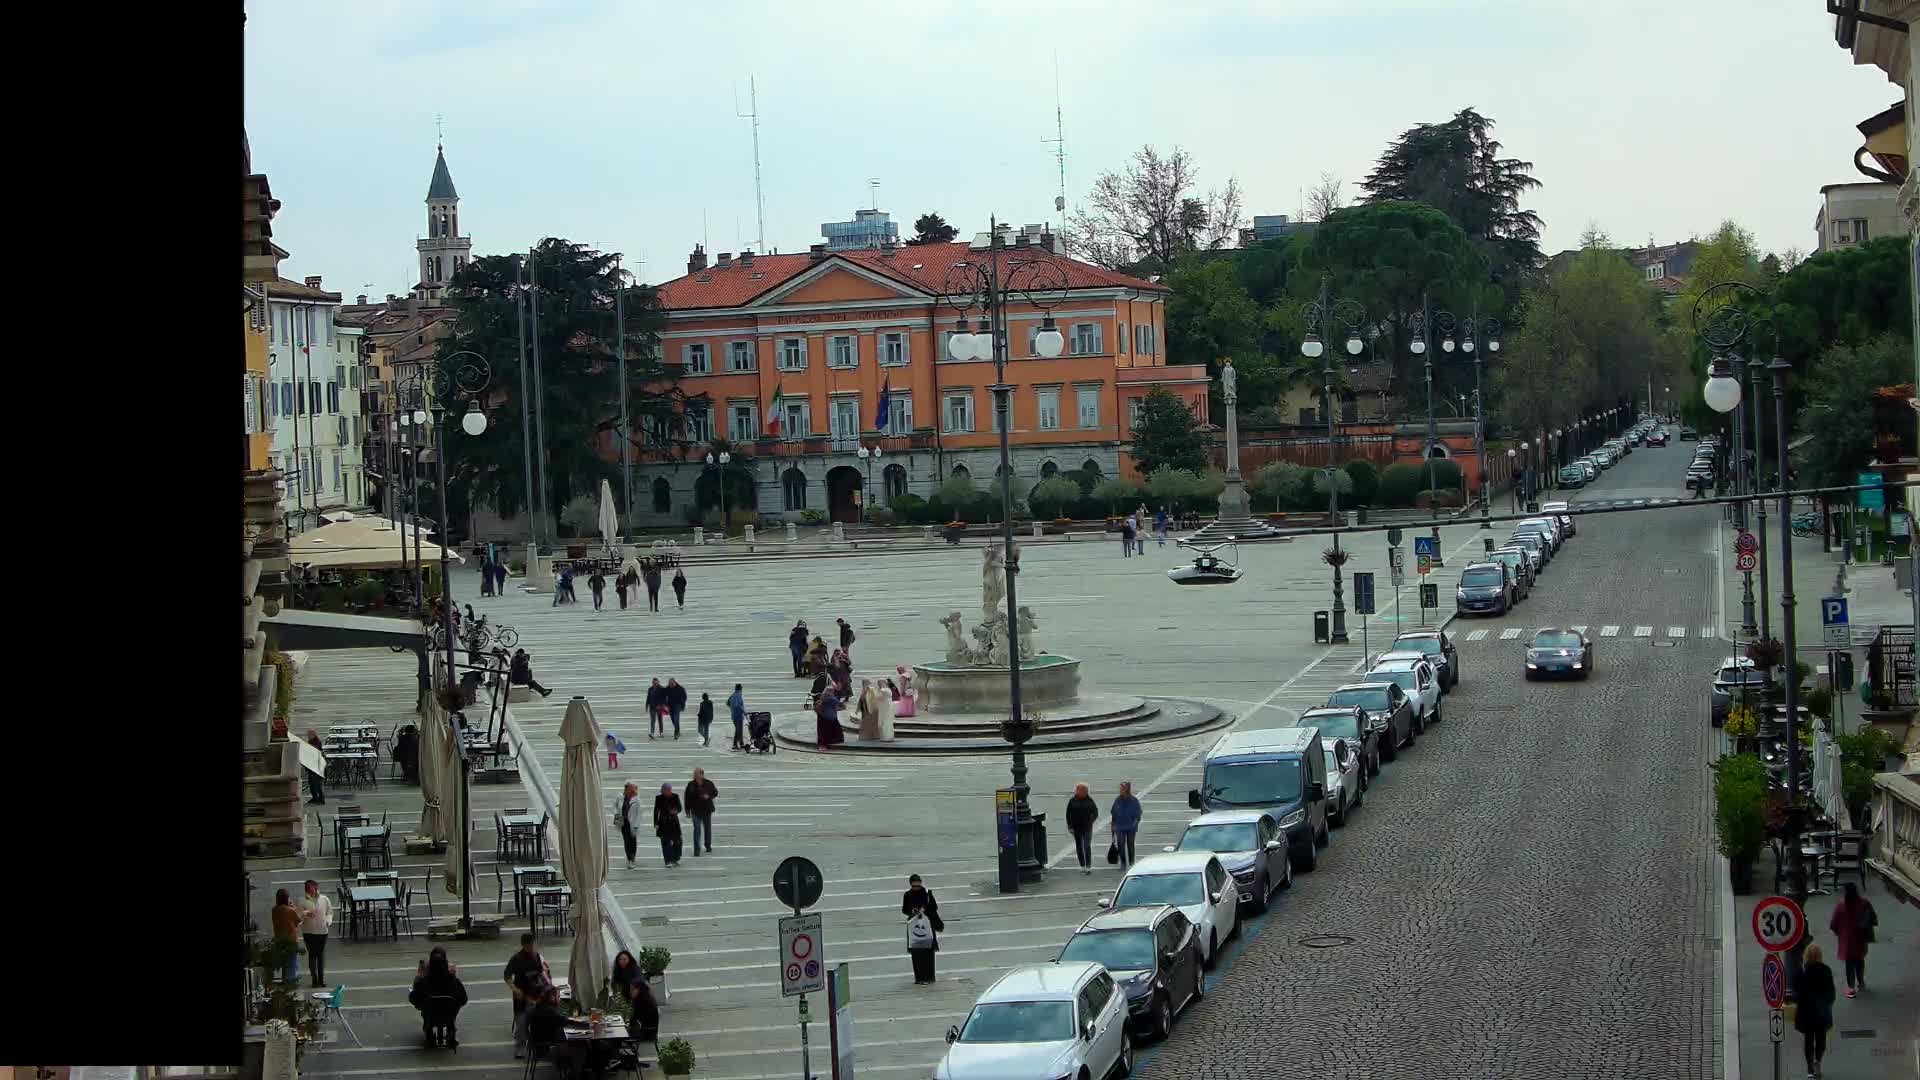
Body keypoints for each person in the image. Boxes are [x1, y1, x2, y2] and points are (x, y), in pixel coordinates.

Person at [409, 946, 468, 1048]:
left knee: (425, 1010)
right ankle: (451, 1031)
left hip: (430, 1014)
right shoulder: (453, 981)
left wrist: (418, 977)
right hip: (449, 1015)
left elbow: (414, 998)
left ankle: (428, 1031)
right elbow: (463, 999)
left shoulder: (424, 982)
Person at [1793, 941, 1836, 1078]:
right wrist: (1827, 1004)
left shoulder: (1802, 973)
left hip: (1806, 1013)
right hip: (1821, 1012)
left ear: (1805, 956)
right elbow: (1831, 993)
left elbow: (1797, 994)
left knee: (1808, 1040)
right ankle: (1818, 1060)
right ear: (1820, 956)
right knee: (1821, 1039)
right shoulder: (1826, 970)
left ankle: (1810, 1069)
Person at [524, 982, 590, 1073]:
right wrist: (587, 1024)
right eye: (558, 997)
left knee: (579, 1044)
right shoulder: (548, 1012)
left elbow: (561, 1020)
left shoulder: (538, 1008)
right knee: (581, 1049)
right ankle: (576, 1075)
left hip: (539, 1045)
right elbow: (566, 1022)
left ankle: (571, 1070)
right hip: (547, 1048)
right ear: (552, 997)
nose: (559, 1000)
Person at [503, 933, 550, 1058]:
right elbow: (507, 976)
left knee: (540, 1020)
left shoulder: (537, 957)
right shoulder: (516, 959)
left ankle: (539, 1045)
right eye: (529, 945)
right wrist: (515, 988)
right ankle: (520, 1047)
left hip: (535, 994)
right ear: (524, 945)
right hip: (521, 996)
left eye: (533, 945)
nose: (531, 947)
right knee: (521, 1022)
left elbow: (542, 975)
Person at [1830, 881, 1878, 996]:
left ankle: (1850, 987)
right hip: (1861, 938)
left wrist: (1840, 934)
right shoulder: (1864, 903)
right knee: (1860, 960)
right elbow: (1873, 918)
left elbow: (1833, 924)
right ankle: (1861, 982)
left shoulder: (1841, 906)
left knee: (1849, 964)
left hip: (1847, 940)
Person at [902, 874, 944, 984]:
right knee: (916, 954)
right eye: (914, 886)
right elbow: (904, 909)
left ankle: (929, 977)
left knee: (928, 952)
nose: (916, 888)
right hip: (914, 926)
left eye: (918, 886)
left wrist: (924, 909)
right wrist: (912, 911)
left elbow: (934, 908)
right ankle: (919, 978)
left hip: (926, 925)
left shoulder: (927, 894)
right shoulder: (907, 895)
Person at [297, 879, 333, 988]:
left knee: (320, 955)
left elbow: (329, 912)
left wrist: (328, 921)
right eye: (308, 888)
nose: (311, 890)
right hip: (308, 932)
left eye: (313, 888)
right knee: (312, 954)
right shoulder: (302, 901)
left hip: (322, 931)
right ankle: (314, 979)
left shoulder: (324, 899)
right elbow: (298, 916)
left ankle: (321, 979)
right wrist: (305, 914)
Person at [1065, 784, 1100, 875]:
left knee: (1086, 846)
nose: (1076, 791)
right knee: (1079, 847)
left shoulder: (1089, 801)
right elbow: (1068, 814)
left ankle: (1088, 867)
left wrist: (1090, 821)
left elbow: (1095, 812)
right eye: (1077, 790)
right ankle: (1082, 866)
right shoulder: (1072, 801)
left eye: (1078, 790)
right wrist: (1070, 826)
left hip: (1087, 827)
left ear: (1084, 791)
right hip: (1076, 828)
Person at [270, 888, 301, 984]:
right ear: (287, 898)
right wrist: (293, 907)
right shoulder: (290, 910)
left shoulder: (274, 910)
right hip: (291, 940)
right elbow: (298, 921)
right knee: (292, 963)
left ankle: (285, 981)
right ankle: (291, 982)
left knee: (284, 963)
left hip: (279, 939)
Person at [686, 767, 718, 855]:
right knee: (697, 829)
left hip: (707, 809)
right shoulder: (691, 784)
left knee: (707, 829)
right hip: (695, 810)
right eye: (694, 774)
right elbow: (687, 798)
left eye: (696, 774)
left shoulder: (708, 783)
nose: (694, 775)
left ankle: (708, 845)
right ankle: (697, 849)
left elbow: (715, 792)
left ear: (701, 774)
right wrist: (687, 810)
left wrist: (709, 796)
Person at [1110, 782, 1142, 869]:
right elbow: (1113, 813)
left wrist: (1134, 824)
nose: (1120, 791)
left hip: (1131, 827)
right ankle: (1123, 863)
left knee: (1130, 845)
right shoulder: (1118, 800)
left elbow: (1138, 814)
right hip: (1119, 827)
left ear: (1126, 790)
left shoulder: (1134, 800)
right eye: (1120, 789)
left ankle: (1131, 863)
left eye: (1121, 789)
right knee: (1121, 844)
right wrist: (1113, 824)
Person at [654, 782, 684, 867]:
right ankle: (668, 861)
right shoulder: (659, 798)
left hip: (674, 823)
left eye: (666, 790)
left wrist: (675, 811)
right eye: (663, 790)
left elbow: (679, 808)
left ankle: (676, 858)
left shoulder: (675, 796)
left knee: (678, 841)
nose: (663, 792)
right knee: (665, 843)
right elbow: (656, 811)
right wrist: (655, 823)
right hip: (663, 823)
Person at [617, 781, 643, 868]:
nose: (627, 790)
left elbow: (639, 813)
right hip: (623, 822)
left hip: (632, 823)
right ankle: (629, 859)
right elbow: (615, 806)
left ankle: (632, 858)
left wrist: (636, 825)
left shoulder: (637, 800)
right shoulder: (620, 797)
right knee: (626, 841)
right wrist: (616, 816)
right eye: (627, 788)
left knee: (632, 841)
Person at [815, 685, 846, 750]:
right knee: (833, 731)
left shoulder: (822, 698)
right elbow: (843, 706)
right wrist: (837, 708)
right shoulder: (832, 699)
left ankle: (822, 745)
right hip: (831, 718)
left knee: (823, 732)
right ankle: (833, 742)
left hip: (822, 717)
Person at [303, 728, 326, 805]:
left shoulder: (317, 742)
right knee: (312, 784)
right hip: (311, 765)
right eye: (308, 734)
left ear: (313, 735)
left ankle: (321, 799)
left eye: (309, 734)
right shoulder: (310, 742)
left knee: (317, 784)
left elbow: (315, 751)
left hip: (317, 766)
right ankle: (315, 798)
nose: (308, 736)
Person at [728, 683, 747, 751]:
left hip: (734, 715)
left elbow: (727, 703)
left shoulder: (732, 695)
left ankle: (741, 743)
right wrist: (744, 712)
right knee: (738, 730)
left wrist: (731, 709)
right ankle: (735, 744)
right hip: (738, 716)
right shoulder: (738, 695)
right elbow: (738, 705)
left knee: (739, 730)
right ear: (740, 689)